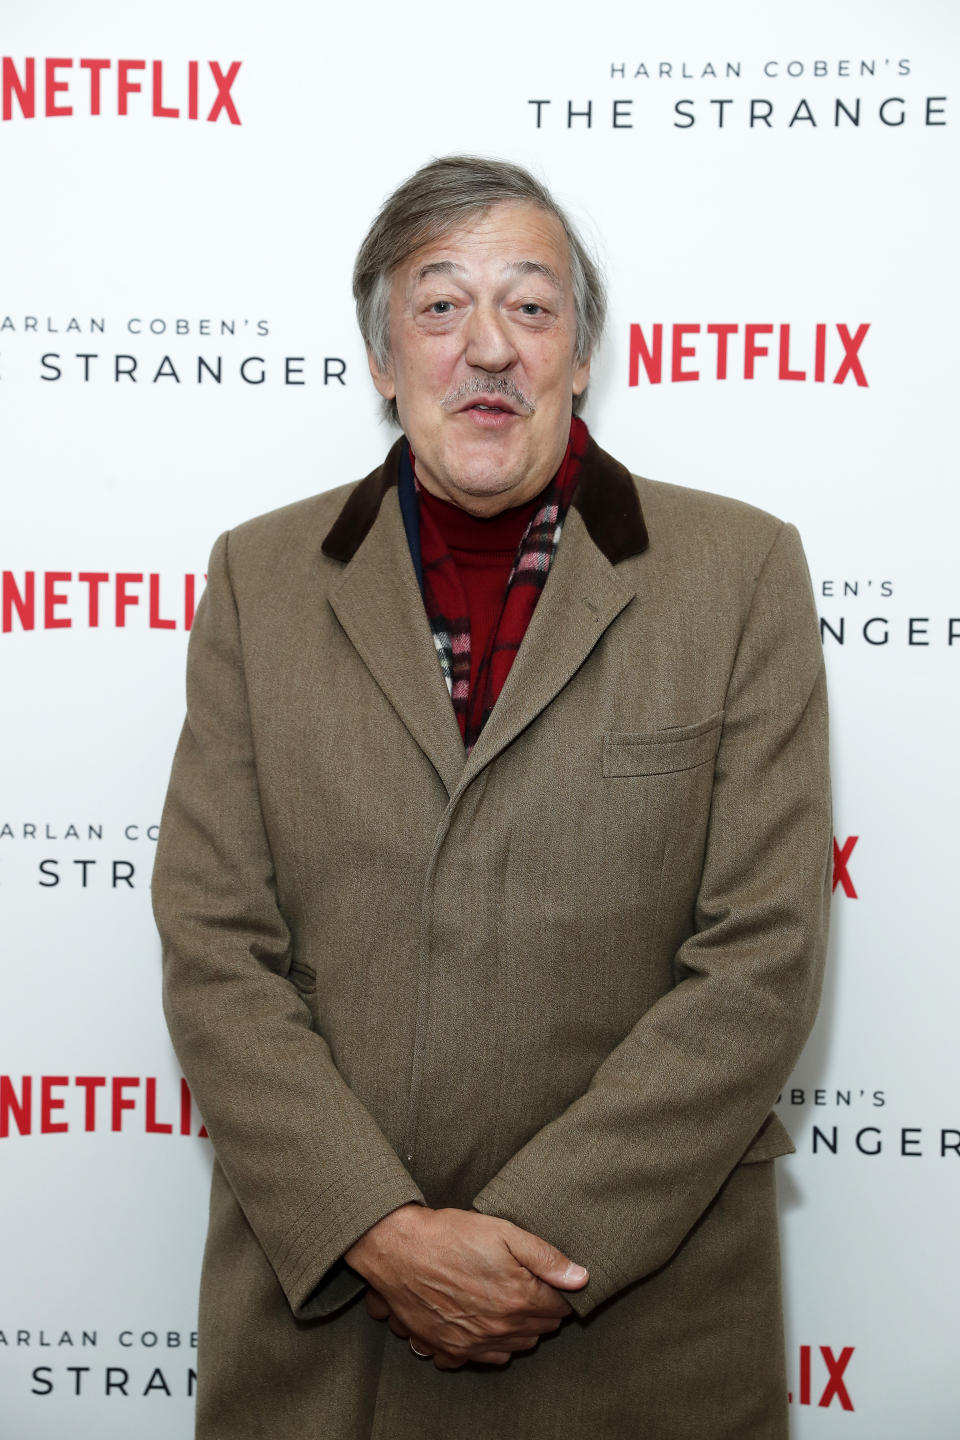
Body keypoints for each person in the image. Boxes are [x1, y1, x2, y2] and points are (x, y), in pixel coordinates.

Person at [152, 154, 832, 1440]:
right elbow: (213, 945)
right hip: (333, 1331)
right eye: (439, 304)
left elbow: (764, 959)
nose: (487, 350)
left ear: (582, 357)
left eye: (530, 308)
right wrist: (379, 1229)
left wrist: (537, 1245)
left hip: (634, 1322)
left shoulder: (741, 573)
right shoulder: (258, 581)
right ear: (380, 356)